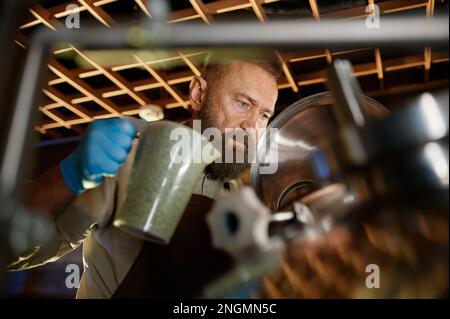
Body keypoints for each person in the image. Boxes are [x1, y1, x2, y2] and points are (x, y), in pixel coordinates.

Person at [8, 56, 280, 298]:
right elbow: (13, 249)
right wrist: (70, 174)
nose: (251, 129)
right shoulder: (132, 158)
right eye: (243, 103)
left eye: (264, 115)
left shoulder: (245, 192)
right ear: (198, 94)